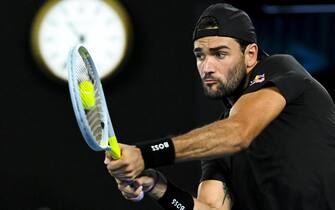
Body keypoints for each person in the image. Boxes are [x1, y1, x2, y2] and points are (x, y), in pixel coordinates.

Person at [104, 3, 335, 210]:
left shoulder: (282, 69)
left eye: (219, 54)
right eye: (200, 56)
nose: (207, 67)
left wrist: (145, 154)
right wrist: (158, 187)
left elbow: (239, 132)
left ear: (250, 55)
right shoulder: (217, 141)